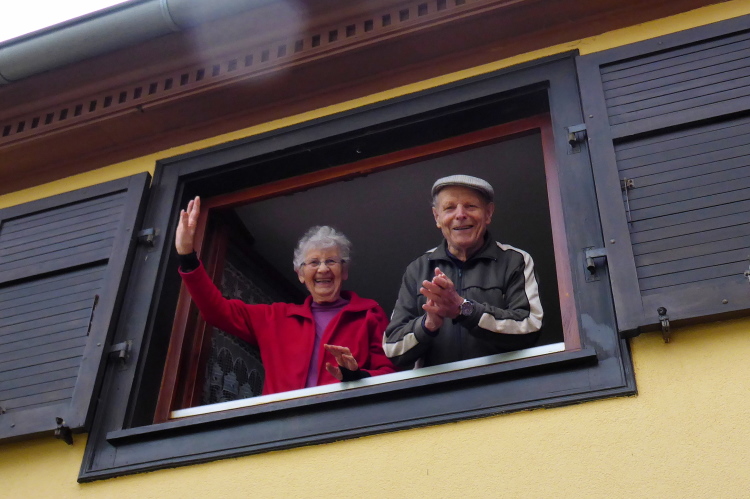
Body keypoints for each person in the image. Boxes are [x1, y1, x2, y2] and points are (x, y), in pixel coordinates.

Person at [176, 196, 396, 396]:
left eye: (331, 261)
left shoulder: (368, 314)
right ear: (300, 274)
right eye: (313, 262)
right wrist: (187, 258)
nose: (323, 269)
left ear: (344, 271)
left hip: (345, 420)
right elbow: (217, 311)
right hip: (282, 423)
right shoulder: (275, 318)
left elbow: (390, 374)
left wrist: (358, 376)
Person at [383, 174, 543, 368]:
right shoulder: (418, 269)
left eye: (471, 206)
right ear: (437, 217)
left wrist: (464, 309)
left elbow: (530, 327)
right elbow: (392, 348)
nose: (460, 215)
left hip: (503, 384)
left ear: (488, 213)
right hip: (440, 387)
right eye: (449, 208)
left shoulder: (515, 261)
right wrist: (428, 324)